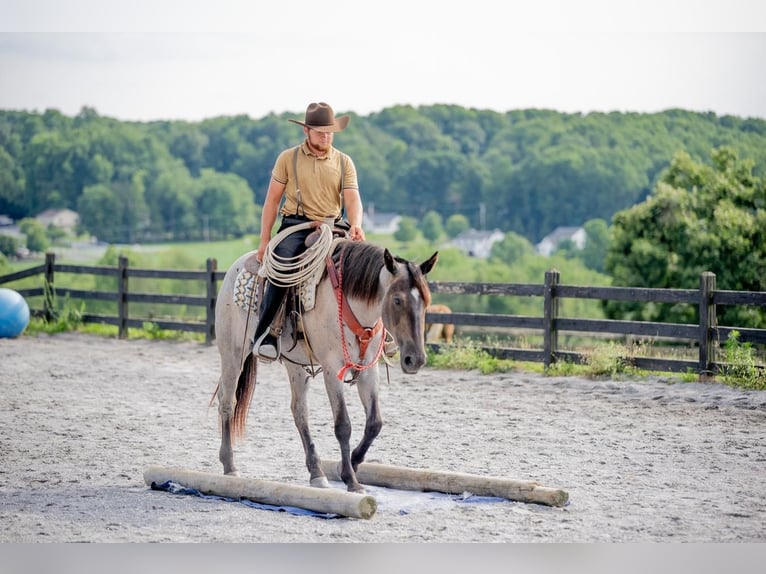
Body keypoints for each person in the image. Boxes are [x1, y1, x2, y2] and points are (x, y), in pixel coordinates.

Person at [251, 102, 366, 361]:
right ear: (306, 130)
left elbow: (352, 199)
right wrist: (264, 240)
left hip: (334, 226)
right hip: (296, 225)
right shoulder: (287, 158)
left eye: (329, 132)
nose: (325, 137)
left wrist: (356, 223)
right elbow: (272, 201)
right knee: (283, 265)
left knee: (366, 265)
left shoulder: (344, 162)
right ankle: (268, 332)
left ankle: (372, 331)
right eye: (320, 132)